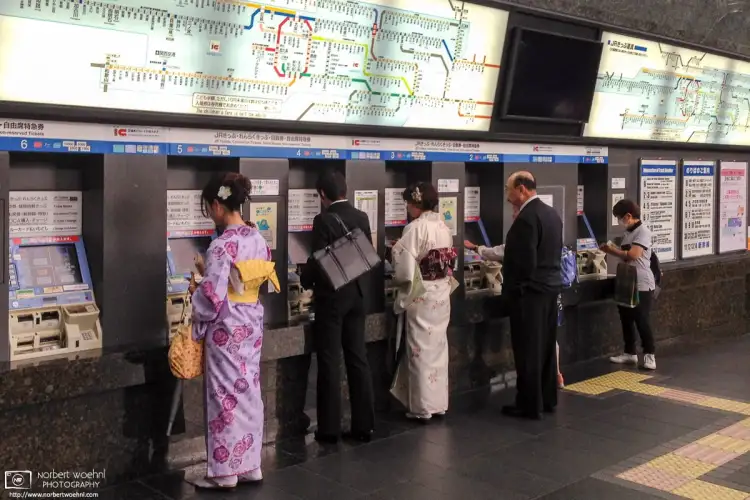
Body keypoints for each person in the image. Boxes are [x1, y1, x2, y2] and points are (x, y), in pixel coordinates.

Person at [188, 172, 279, 489]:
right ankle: (250, 465)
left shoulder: (221, 246)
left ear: (217, 204)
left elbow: (211, 298)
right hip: (251, 323)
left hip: (226, 329)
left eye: (209, 207)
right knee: (249, 393)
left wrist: (194, 298)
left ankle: (225, 472)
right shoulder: (257, 238)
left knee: (224, 397)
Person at [300, 170, 376, 443]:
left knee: (330, 361)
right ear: (344, 190)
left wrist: (303, 277)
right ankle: (364, 425)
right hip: (358, 294)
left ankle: (330, 428)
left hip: (332, 299)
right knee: (358, 358)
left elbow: (319, 262)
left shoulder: (323, 220)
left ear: (322, 194)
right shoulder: (361, 217)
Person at [464, 205, 566, 389]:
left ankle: (534, 390)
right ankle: (553, 378)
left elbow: (503, 252)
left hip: (530, 293)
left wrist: (477, 248)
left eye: (515, 213)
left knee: (531, 343)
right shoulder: (551, 219)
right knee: (548, 337)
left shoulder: (526, 230)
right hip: (550, 289)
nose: (512, 215)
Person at [390, 182, 456, 420]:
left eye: (408, 203)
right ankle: (439, 404)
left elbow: (405, 267)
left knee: (419, 351)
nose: (407, 208)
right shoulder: (443, 226)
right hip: (440, 292)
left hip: (422, 294)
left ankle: (421, 407)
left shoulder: (415, 228)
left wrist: (393, 251)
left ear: (416, 203)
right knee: (438, 350)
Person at [501, 171, 563, 420]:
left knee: (527, 349)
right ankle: (547, 398)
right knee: (546, 346)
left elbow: (524, 262)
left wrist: (515, 289)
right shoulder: (551, 214)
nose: (508, 196)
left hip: (530, 294)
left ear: (522, 189)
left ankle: (528, 404)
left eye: (509, 190)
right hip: (550, 289)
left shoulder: (527, 218)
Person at [600, 199, 657, 370]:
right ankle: (629, 352)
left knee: (641, 319)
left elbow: (634, 254)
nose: (619, 221)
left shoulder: (643, 232)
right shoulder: (628, 233)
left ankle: (649, 355)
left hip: (642, 283)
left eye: (619, 217)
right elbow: (625, 255)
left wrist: (611, 251)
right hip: (627, 281)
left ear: (629, 216)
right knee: (626, 318)